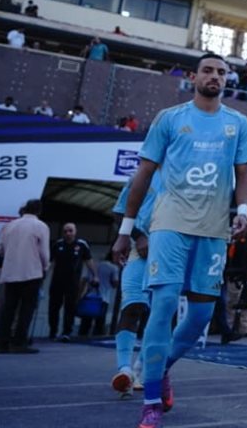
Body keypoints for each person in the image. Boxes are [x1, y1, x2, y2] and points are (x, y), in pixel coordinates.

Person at [112, 52, 247, 428]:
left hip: (213, 229)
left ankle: (160, 367)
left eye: (221, 72)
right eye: (208, 70)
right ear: (194, 76)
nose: (215, 77)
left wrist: (242, 212)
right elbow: (142, 176)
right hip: (169, 223)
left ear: (227, 80)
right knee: (165, 304)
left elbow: (243, 176)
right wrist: (126, 231)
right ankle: (152, 402)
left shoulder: (237, 124)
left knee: (202, 316)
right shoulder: (170, 118)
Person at [110, 167, 163, 395]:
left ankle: (140, 370)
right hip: (138, 251)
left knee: (160, 312)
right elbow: (120, 210)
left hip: (171, 252)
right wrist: (138, 236)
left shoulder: (188, 173)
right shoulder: (141, 174)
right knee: (132, 306)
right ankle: (124, 370)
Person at [0, 199, 49, 352]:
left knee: (8, 308)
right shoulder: (41, 226)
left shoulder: (9, 225)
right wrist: (45, 266)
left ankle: (1, 342)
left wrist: (11, 254)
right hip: (31, 273)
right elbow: (44, 253)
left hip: (10, 272)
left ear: (25, 209)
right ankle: (19, 343)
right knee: (26, 308)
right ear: (39, 210)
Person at [49, 223, 96, 341]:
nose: (68, 233)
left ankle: (66, 332)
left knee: (70, 307)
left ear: (75, 231)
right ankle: (53, 331)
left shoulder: (81, 245)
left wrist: (95, 275)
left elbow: (89, 260)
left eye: (70, 231)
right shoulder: (58, 244)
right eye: (65, 231)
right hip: (57, 281)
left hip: (73, 282)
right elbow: (50, 261)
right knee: (54, 307)